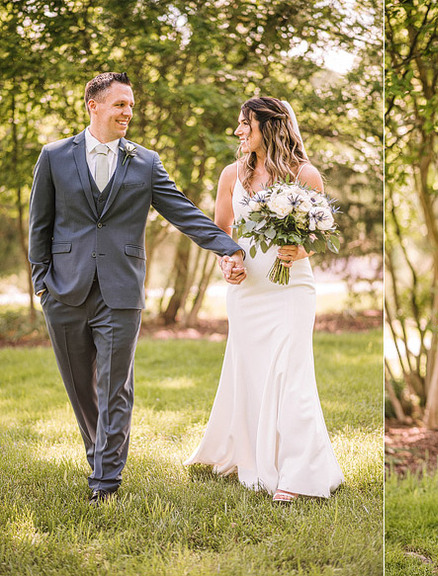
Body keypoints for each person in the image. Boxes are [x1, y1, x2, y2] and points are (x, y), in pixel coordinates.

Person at [27, 72, 247, 505]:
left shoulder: (145, 161)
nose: (128, 112)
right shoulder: (53, 156)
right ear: (93, 105)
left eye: (130, 105)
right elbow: (40, 225)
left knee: (115, 387)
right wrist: (41, 284)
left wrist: (229, 247)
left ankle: (106, 481)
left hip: (122, 290)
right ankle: (100, 455)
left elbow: (183, 212)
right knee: (79, 387)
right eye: (120, 105)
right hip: (64, 290)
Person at [184, 97, 343, 503]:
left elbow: (318, 234)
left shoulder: (305, 174)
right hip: (247, 290)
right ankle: (250, 453)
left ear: (269, 127)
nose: (239, 132)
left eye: (246, 125)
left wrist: (302, 251)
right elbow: (223, 234)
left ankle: (299, 473)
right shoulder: (231, 175)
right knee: (251, 372)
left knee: (291, 374)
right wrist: (228, 263)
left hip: (291, 288)